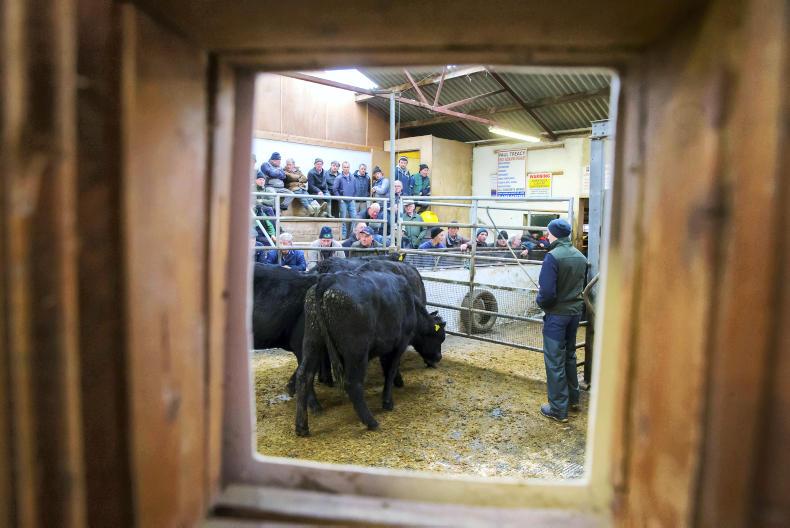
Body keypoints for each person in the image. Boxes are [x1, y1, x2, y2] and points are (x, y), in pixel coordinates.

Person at [536, 219, 587, 423]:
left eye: (548, 233)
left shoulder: (552, 257)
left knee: (555, 361)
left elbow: (547, 293)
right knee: (570, 356)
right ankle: (573, 400)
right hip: (574, 313)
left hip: (557, 316)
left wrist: (540, 300)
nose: (547, 236)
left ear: (555, 234)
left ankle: (558, 409)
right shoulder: (580, 256)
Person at [332, 161, 357, 238]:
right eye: (345, 167)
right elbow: (334, 189)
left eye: (348, 167)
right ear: (342, 168)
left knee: (354, 218)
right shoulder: (339, 178)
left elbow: (355, 189)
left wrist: (353, 197)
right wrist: (340, 199)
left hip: (351, 201)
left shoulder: (353, 177)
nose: (346, 168)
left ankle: (353, 235)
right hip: (343, 201)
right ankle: (343, 236)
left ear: (349, 168)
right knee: (343, 219)